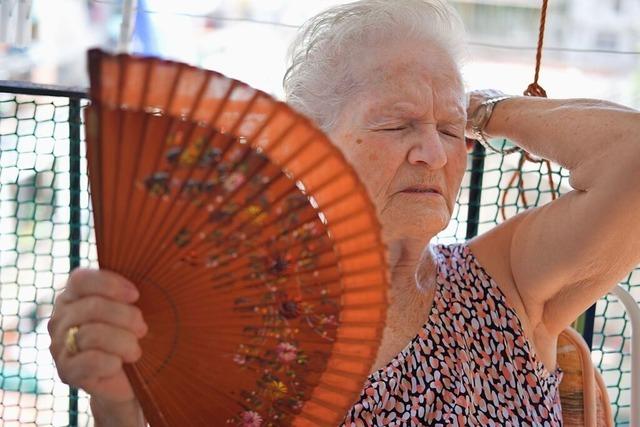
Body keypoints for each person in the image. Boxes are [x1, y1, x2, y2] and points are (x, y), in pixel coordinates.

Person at [48, 0, 640, 425]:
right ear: (310, 144)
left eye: (450, 130)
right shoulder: (234, 318)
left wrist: (489, 110)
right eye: (396, 123)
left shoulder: (506, 283)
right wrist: (116, 399)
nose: (433, 152)